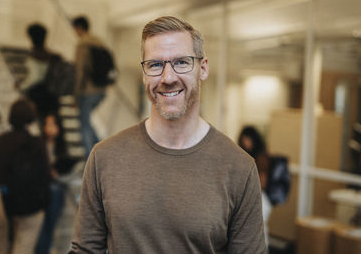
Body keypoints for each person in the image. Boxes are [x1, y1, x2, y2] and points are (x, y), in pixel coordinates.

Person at [69, 16, 266, 254]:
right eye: (155, 65)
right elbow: (85, 250)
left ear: (202, 68)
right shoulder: (104, 157)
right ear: (144, 73)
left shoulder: (239, 168)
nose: (168, 77)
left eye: (182, 62)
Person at [0, 98, 50, 254]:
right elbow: (45, 175)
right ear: (31, 118)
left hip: (5, 199)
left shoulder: (0, 141)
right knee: (23, 246)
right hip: (31, 204)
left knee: (4, 247)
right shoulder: (37, 143)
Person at [35, 113, 75, 254]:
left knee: (57, 191)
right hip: (42, 187)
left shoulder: (62, 147)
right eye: (47, 124)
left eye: (53, 124)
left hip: (57, 186)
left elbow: (67, 173)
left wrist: (57, 174)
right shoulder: (39, 145)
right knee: (43, 225)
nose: (50, 128)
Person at [72, 16, 106, 159]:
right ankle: (101, 151)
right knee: (87, 123)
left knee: (84, 126)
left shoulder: (83, 45)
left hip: (87, 91)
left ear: (79, 28)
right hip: (101, 90)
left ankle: (90, 160)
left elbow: (80, 71)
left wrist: (76, 93)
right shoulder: (99, 43)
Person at [238, 125, 272, 246]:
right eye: (244, 139)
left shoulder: (261, 158)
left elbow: (262, 182)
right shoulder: (241, 155)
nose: (246, 142)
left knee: (257, 230)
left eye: (248, 139)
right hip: (245, 194)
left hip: (258, 196)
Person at [18, 23, 59, 121]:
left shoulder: (34, 56)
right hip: (52, 96)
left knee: (40, 123)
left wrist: (21, 86)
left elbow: (34, 77)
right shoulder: (52, 56)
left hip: (38, 96)